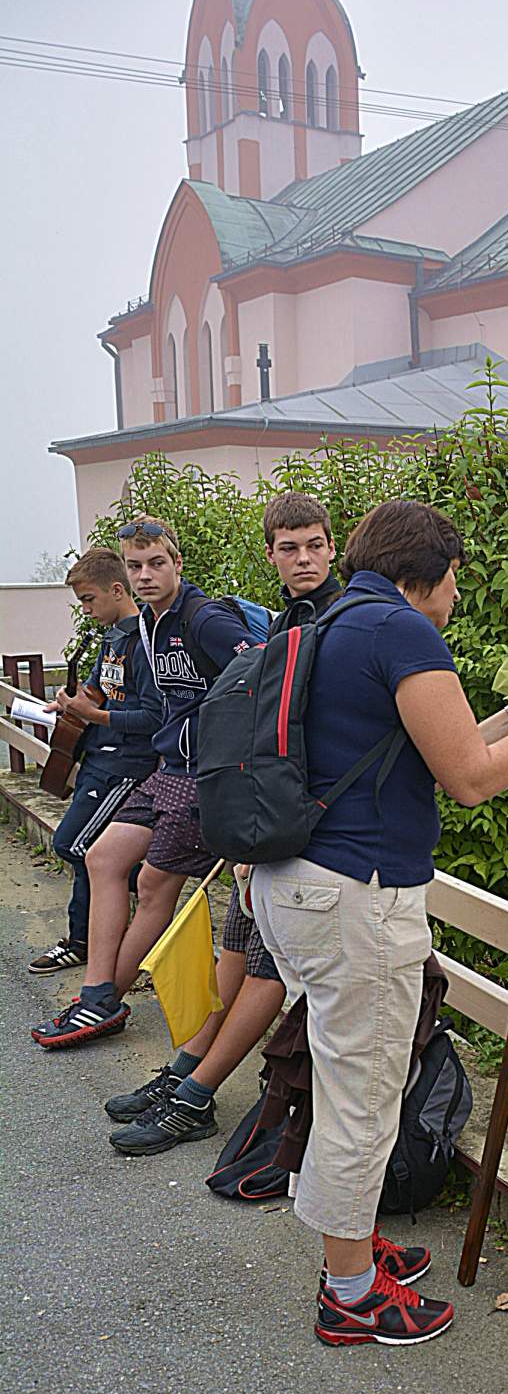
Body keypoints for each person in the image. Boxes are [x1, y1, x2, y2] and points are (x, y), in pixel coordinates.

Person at [251, 498, 508, 1348]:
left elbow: (441, 748)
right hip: (355, 898)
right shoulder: (404, 632)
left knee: (348, 1079)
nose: (456, 599)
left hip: (296, 885)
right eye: (454, 582)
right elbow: (472, 781)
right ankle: (349, 1293)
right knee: (364, 1098)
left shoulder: (338, 620)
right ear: (431, 574)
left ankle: (351, 1244)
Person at [106, 493, 343, 1153]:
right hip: (265, 817)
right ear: (271, 554)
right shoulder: (290, 618)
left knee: (265, 964)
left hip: (304, 826)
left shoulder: (342, 621)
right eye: (289, 548)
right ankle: (185, 1070)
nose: (303, 559)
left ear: (334, 548)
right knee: (236, 945)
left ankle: (196, 1096)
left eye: (314, 545)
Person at [32, 518, 254, 1050]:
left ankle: (102, 1002)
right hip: (168, 767)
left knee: (154, 886)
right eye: (136, 566)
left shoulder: (204, 619)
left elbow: (266, 672)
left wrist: (225, 743)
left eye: (156, 563)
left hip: (206, 774)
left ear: (177, 563)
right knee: (102, 857)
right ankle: (97, 992)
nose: (146, 574)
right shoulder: (151, 624)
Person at [29, 549, 162, 974]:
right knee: (85, 849)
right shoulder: (112, 638)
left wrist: (97, 716)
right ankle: (85, 939)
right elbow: (98, 689)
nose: (85, 609)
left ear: (117, 590)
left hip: (126, 767)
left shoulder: (145, 642)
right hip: (99, 761)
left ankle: (146, 892)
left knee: (76, 846)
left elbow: (155, 717)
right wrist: (69, 704)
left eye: (89, 599)